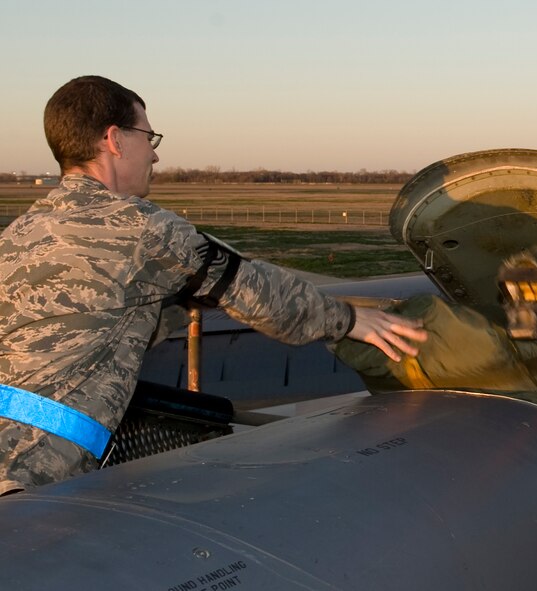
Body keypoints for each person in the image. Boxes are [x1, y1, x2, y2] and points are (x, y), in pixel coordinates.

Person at [0, 75, 426, 494]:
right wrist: (351, 320)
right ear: (115, 140)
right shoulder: (143, 229)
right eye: (150, 138)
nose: (154, 156)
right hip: (32, 471)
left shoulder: (21, 232)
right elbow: (259, 294)